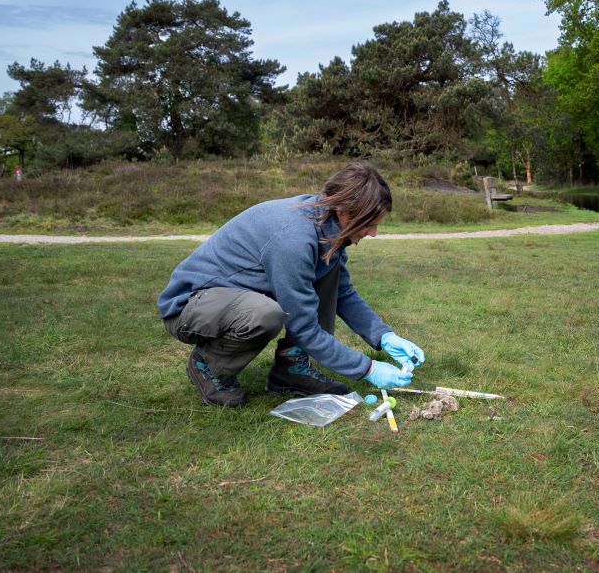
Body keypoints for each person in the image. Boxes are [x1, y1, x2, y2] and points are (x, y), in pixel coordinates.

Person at [157, 161, 424, 407]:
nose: (373, 233)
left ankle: (291, 368)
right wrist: (367, 369)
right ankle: (209, 365)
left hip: (232, 298)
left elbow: (341, 292)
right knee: (264, 315)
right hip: (189, 307)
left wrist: (383, 336)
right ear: (344, 210)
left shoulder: (327, 229)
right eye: (369, 223)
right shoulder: (294, 240)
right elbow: (304, 326)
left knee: (327, 276)